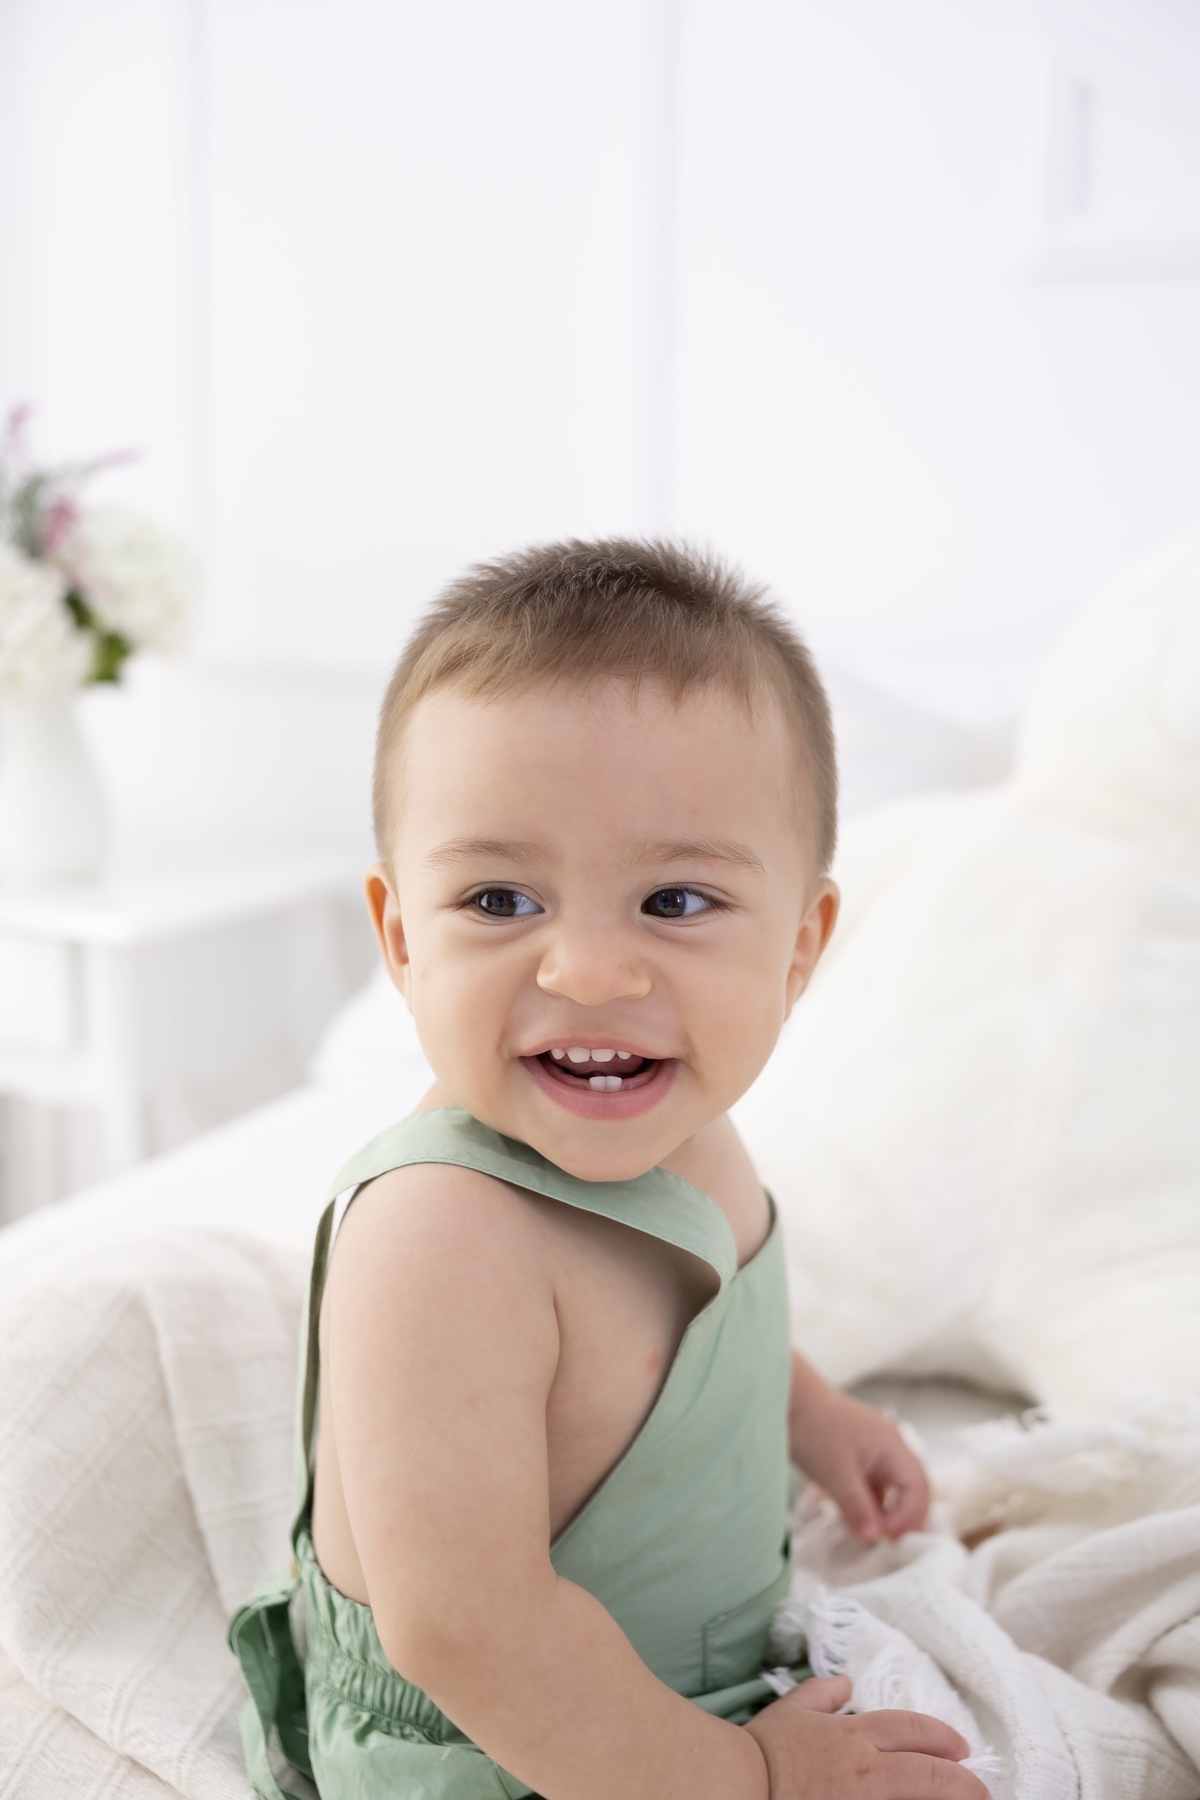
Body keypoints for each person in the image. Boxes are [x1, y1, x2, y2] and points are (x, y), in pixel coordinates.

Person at [230, 539, 989, 1800]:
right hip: (493, 1747)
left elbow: (697, 1298)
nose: (588, 971)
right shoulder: (440, 1239)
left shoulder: (688, 1119)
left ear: (799, 951)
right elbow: (468, 1631)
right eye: (500, 900)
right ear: (401, 940)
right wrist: (753, 1777)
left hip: (654, 1701)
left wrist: (815, 1416)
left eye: (676, 903)